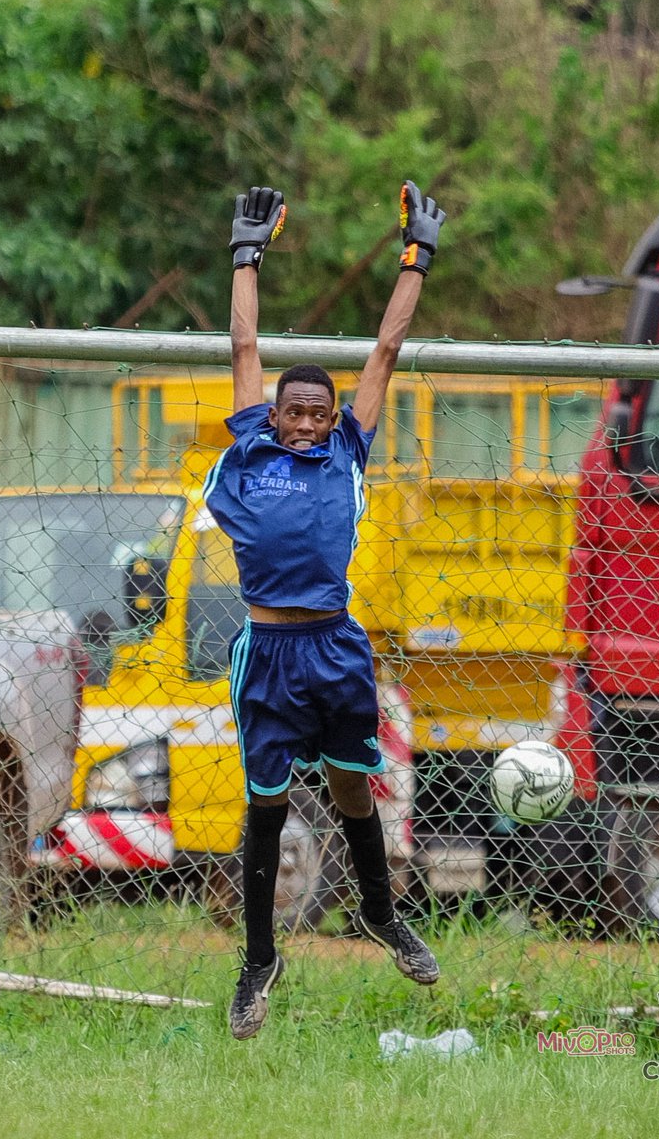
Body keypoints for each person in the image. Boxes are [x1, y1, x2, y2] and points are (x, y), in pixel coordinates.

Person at [203, 180, 446, 1040]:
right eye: (291, 408)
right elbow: (243, 339)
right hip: (267, 655)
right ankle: (258, 959)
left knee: (352, 787)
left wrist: (416, 255)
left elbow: (386, 347)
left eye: (317, 408)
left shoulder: (347, 450)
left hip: (337, 651)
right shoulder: (250, 445)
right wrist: (246, 254)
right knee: (265, 807)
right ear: (271, 412)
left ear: (333, 415)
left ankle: (383, 916)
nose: (304, 419)